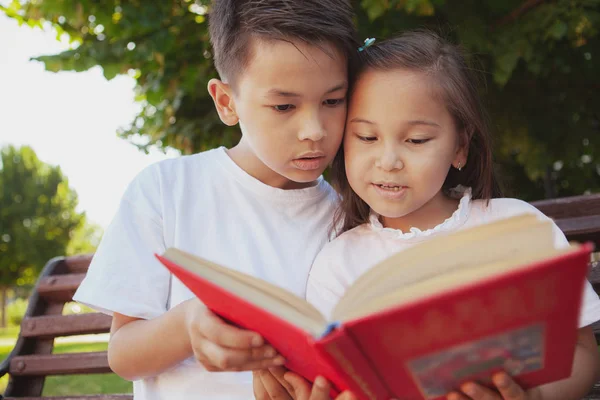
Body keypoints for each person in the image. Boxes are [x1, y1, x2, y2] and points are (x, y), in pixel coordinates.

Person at [257, 31, 600, 400]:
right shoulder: (338, 264)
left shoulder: (518, 228)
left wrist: (534, 397)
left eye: (416, 140)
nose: (388, 162)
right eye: (367, 138)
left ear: (460, 147)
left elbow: (581, 352)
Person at [72, 0, 358, 398]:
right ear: (227, 102)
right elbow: (123, 355)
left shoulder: (351, 217)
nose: (313, 130)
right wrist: (188, 325)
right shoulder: (166, 190)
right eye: (283, 106)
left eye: (332, 101)